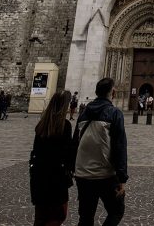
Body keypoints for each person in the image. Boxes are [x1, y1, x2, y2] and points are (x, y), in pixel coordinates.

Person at [74, 77, 127, 226]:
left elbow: (75, 143)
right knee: (116, 211)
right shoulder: (114, 113)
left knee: (85, 217)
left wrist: (74, 170)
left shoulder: (83, 113)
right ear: (113, 93)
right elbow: (120, 146)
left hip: (82, 174)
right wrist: (122, 178)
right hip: (105, 174)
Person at [29, 90, 76, 226]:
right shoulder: (64, 126)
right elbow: (68, 153)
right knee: (57, 216)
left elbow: (35, 152)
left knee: (40, 216)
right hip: (57, 179)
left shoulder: (41, 125)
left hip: (39, 177)